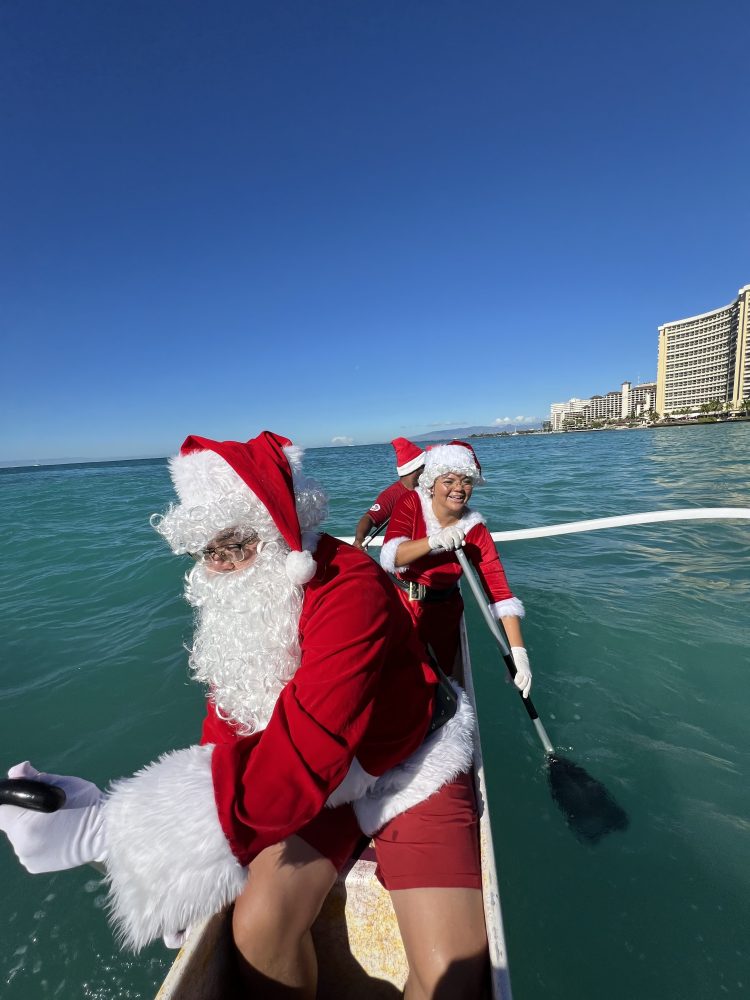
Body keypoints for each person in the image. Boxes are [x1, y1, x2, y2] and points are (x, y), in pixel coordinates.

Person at [0, 431, 487, 1000]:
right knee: (258, 927)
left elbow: (313, 746)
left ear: (281, 528)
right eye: (208, 552)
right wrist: (187, 867)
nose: (224, 566)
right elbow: (228, 725)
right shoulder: (236, 598)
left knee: (451, 971)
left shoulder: (351, 585)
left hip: (412, 762)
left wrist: (112, 830)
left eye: (236, 544)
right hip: (325, 787)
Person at [381, 440, 533, 696]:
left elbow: (500, 593)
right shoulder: (411, 502)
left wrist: (519, 654)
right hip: (401, 601)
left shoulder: (475, 530)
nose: (458, 489)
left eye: (466, 481)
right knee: (398, 678)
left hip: (445, 609)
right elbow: (392, 556)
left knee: (447, 684)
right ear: (432, 483)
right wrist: (433, 541)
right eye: (449, 480)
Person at [353, 437, 426, 547]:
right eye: (426, 466)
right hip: (405, 550)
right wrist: (359, 538)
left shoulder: (427, 488)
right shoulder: (391, 495)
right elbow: (369, 518)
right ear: (417, 468)